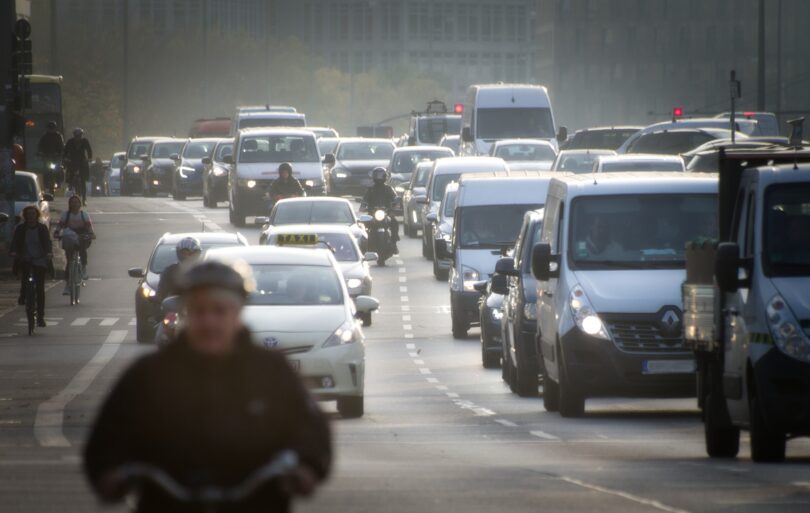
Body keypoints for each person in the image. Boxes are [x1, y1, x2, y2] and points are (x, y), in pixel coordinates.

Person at [83, 261, 332, 512]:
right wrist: (110, 473)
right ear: (186, 314)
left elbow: (310, 430)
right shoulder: (149, 374)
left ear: (237, 313)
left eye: (219, 311)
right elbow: (108, 436)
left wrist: (306, 466)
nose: (209, 322)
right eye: (199, 311)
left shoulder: (272, 372)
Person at [10, 206, 53, 327]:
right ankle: (23, 296)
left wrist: (48, 253)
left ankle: (40, 316)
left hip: (40, 260)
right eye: (28, 214)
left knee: (40, 288)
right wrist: (14, 252)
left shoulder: (42, 228)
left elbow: (47, 242)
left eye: (33, 214)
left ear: (37, 215)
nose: (30, 216)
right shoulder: (20, 229)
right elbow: (15, 243)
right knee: (25, 280)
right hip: (26, 259)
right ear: (25, 216)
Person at [57, 195, 95, 294]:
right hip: (69, 238)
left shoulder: (84, 215)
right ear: (69, 204)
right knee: (69, 262)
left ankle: (83, 268)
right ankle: (67, 286)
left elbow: (89, 228)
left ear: (80, 204)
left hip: (82, 236)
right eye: (72, 202)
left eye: (76, 202)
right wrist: (57, 233)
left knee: (82, 250)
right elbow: (59, 226)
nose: (75, 204)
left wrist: (91, 234)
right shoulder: (66, 215)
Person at [362, 167, 399, 254]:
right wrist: (363, 206)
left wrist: (395, 204)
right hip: (372, 214)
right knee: (364, 224)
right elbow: (364, 200)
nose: (379, 178)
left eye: (381, 175)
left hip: (386, 213)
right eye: (377, 176)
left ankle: (394, 242)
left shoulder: (389, 189)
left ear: (385, 177)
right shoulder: (370, 190)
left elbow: (395, 198)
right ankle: (365, 245)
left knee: (394, 222)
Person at [157, 236, 202, 302]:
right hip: (175, 309)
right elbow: (162, 292)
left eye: (190, 253)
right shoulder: (169, 271)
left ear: (197, 254)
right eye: (184, 253)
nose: (187, 256)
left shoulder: (205, 271)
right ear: (179, 253)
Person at [63, 127, 93, 205]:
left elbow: (89, 150)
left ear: (81, 135)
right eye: (76, 136)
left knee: (83, 180)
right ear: (74, 136)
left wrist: (89, 158)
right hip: (72, 160)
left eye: (79, 136)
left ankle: (84, 198)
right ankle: (69, 182)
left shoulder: (85, 141)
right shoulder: (70, 141)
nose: (78, 138)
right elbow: (65, 151)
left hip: (82, 160)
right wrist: (65, 158)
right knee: (70, 171)